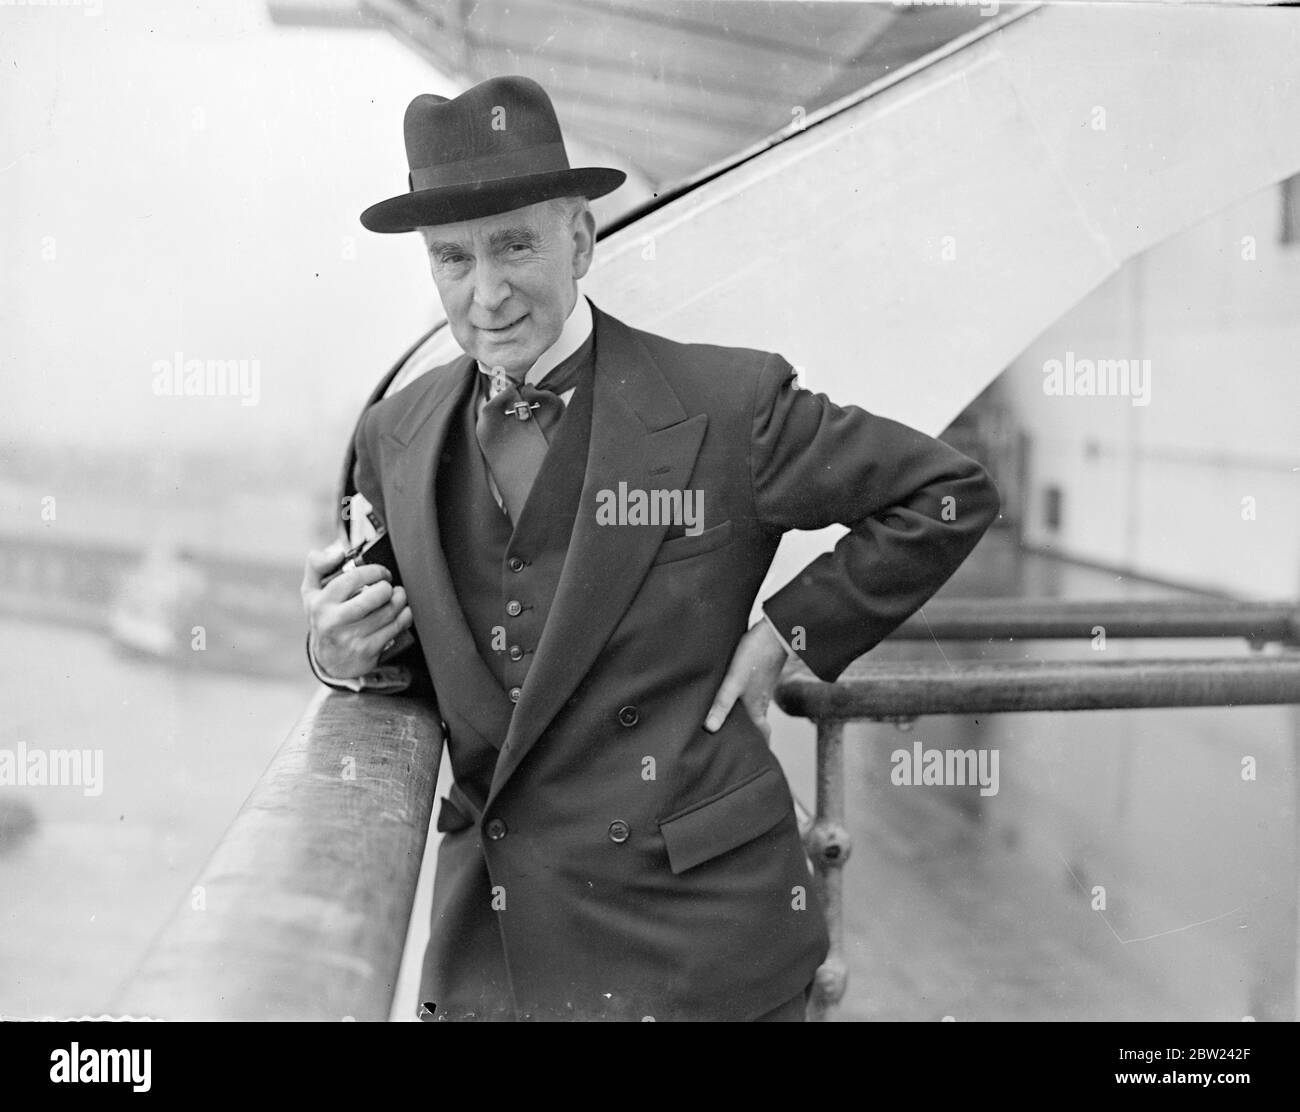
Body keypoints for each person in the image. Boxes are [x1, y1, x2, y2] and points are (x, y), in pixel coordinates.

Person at [300, 75, 1000, 1021]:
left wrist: (788, 633)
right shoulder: (393, 435)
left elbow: (947, 493)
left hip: (703, 953)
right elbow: (423, 658)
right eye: (451, 259)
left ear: (580, 238)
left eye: (514, 245)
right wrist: (340, 655)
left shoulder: (727, 404)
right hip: (494, 960)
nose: (487, 291)